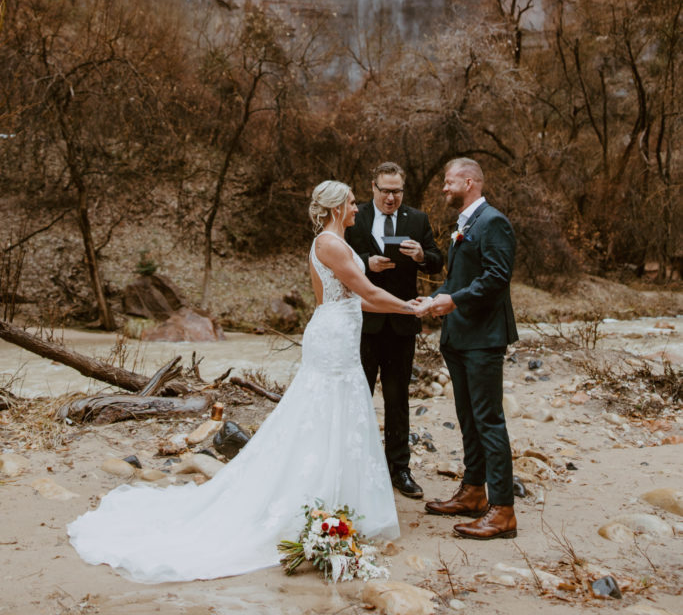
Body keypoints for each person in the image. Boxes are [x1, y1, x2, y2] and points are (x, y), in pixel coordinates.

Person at [68, 180, 431, 582]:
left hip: (342, 331)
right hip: (332, 338)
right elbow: (366, 290)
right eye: (350, 202)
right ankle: (308, 501)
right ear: (333, 208)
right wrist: (410, 308)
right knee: (321, 411)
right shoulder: (329, 244)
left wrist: (399, 306)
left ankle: (338, 500)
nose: (357, 208)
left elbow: (357, 297)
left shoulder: (338, 243)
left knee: (342, 414)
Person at [421, 157, 519, 539]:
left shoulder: (493, 222)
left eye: (449, 182)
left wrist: (453, 301)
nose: (444, 188)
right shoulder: (464, 224)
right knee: (467, 416)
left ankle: (503, 510)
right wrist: (431, 300)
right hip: (458, 337)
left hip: (483, 338)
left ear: (470, 182)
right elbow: (457, 280)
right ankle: (474, 492)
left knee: (489, 420)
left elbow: (497, 278)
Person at [345, 162, 443, 500]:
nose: (390, 197)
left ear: (404, 190)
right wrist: (365, 262)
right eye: (385, 191)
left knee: (399, 399)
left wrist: (419, 255)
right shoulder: (354, 215)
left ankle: (399, 469)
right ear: (372, 187)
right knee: (358, 396)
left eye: (397, 191)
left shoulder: (417, 219)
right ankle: (355, 465)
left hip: (402, 321)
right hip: (363, 322)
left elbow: (437, 260)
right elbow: (338, 256)